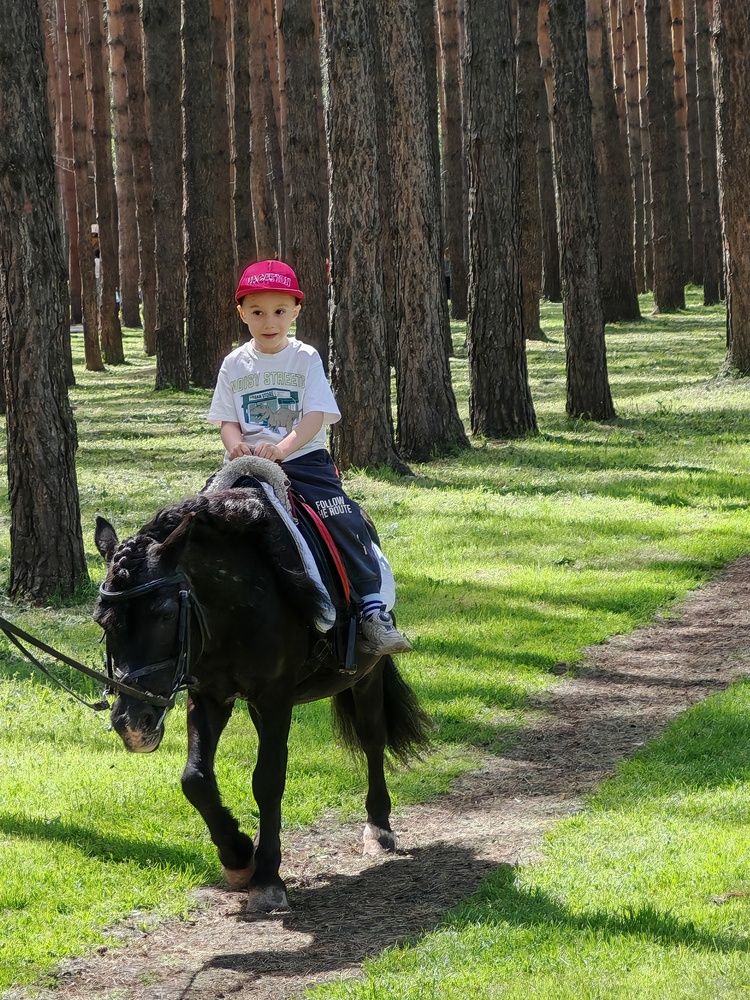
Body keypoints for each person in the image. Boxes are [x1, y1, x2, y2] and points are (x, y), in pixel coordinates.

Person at [207, 259, 412, 657]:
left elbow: (315, 416)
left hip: (304, 462)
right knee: (201, 521)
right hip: (246, 466)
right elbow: (227, 420)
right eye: (258, 312)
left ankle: (372, 609)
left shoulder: (305, 358)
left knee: (343, 518)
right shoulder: (234, 364)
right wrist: (234, 445)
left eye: (280, 311)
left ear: (296, 311)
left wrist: (281, 450)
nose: (269, 321)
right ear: (242, 313)